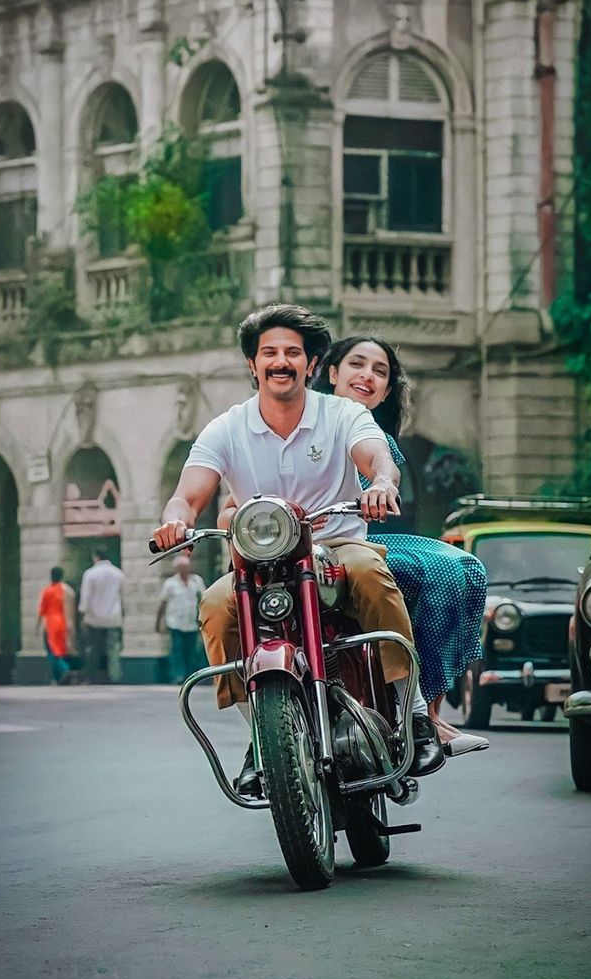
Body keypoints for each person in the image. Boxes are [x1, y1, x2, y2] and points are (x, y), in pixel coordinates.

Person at [152, 303, 445, 796]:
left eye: (293, 352)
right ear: (253, 365)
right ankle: (261, 739)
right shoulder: (227, 427)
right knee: (217, 605)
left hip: (336, 545)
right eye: (269, 353)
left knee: (372, 572)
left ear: (312, 365)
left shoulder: (343, 413)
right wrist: (175, 520)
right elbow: (189, 493)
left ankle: (414, 715)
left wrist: (381, 483)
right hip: (260, 561)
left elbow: (375, 457)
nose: (280, 361)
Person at [312, 336, 489, 756]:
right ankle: (421, 715)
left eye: (380, 371)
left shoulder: (371, 430)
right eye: (357, 364)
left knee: (465, 567)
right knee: (439, 569)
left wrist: (382, 487)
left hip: (371, 536)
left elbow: (382, 473)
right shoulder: (311, 420)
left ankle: (428, 712)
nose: (367, 376)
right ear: (332, 373)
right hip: (327, 541)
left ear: (388, 389)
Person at [156, 555, 206, 684]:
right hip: (175, 622)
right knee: (177, 650)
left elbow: (204, 599)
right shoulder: (170, 583)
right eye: (181, 568)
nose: (184, 570)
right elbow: (163, 603)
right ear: (177, 569)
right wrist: (158, 622)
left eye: (186, 567)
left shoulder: (196, 581)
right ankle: (178, 675)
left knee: (191, 650)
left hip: (192, 622)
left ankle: (191, 676)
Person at [79, 548, 124, 684]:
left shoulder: (90, 574)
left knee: (93, 649)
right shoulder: (118, 574)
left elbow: (86, 598)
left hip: (94, 618)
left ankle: (92, 677)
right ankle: (114, 677)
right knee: (113, 649)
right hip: (113, 617)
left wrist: (83, 616)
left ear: (95, 557)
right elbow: (122, 596)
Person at [37, 566, 77, 686]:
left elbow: (42, 611)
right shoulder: (68, 591)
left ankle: (64, 670)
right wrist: (71, 626)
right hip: (63, 623)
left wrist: (37, 627)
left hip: (50, 624)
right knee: (61, 650)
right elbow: (70, 611)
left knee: (53, 652)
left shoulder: (47, 591)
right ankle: (60, 678)